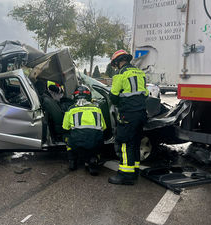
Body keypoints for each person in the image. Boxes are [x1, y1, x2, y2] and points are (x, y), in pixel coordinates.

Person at [108, 49, 149, 185]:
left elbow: (113, 96)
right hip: (141, 113)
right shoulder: (140, 73)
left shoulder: (121, 74)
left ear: (119, 62)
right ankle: (134, 171)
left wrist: (121, 102)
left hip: (128, 114)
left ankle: (125, 175)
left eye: (115, 64)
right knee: (135, 142)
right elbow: (146, 93)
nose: (116, 67)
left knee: (125, 143)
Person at [62, 85, 106, 176]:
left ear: (75, 96)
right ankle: (93, 160)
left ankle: (72, 161)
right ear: (89, 96)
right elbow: (104, 127)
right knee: (97, 140)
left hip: (77, 143)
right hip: (95, 143)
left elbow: (65, 127)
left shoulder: (71, 109)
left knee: (66, 137)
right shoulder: (97, 109)